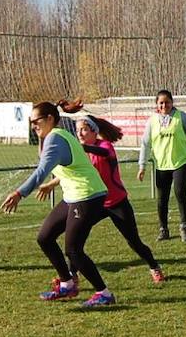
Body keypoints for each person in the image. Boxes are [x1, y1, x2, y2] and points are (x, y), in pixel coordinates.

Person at [0, 101, 116, 308]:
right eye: (31, 122)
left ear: (50, 119)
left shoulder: (55, 138)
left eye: (36, 121)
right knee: (45, 237)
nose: (33, 126)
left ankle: (103, 293)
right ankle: (67, 284)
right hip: (74, 195)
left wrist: (20, 193)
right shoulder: (53, 137)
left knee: (73, 250)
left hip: (88, 195)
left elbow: (41, 171)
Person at [40, 105, 166, 284]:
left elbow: (104, 152)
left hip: (116, 203)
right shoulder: (80, 153)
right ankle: (72, 274)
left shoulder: (104, 146)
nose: (80, 133)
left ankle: (154, 267)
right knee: (75, 243)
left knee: (134, 241)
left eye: (84, 129)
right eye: (78, 131)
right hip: (92, 203)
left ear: (94, 131)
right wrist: (51, 184)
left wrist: (84, 148)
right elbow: (75, 174)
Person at [137, 90, 186, 242]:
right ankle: (163, 229)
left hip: (180, 162)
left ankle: (184, 227)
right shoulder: (152, 121)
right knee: (162, 199)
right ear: (157, 104)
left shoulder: (181, 117)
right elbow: (145, 144)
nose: (164, 105)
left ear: (172, 102)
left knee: (180, 192)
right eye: (161, 103)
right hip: (161, 165)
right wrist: (142, 165)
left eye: (167, 102)